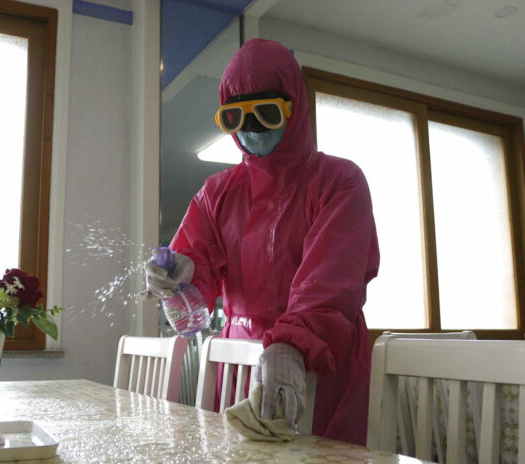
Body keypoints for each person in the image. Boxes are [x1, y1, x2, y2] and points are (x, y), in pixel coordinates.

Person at [142, 38, 379, 446]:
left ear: (294, 108)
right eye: (234, 118)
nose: (249, 130)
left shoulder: (339, 182)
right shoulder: (216, 193)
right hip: (242, 361)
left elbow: (330, 280)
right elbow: (195, 278)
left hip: (321, 358)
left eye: (266, 115)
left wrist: (291, 343)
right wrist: (177, 281)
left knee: (322, 452)